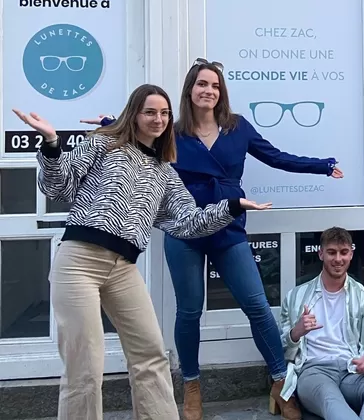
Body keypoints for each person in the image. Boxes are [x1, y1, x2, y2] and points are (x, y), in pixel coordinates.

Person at [83, 58, 343, 420]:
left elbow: (277, 157)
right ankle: (191, 386)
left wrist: (322, 166)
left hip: (227, 227)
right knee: (189, 310)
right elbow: (136, 143)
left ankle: (280, 383)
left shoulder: (238, 129)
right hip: (184, 229)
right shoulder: (170, 132)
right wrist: (111, 126)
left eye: (215, 86)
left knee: (256, 304)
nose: (208, 91)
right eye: (202, 84)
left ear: (221, 93)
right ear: (190, 90)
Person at [13, 84, 271, 420]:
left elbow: (188, 222)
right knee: (85, 367)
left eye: (164, 113)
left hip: (123, 269)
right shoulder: (105, 142)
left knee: (151, 356)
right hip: (80, 261)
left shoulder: (165, 171)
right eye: (150, 111)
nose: (158, 119)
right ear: (134, 113)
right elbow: (58, 186)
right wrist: (51, 145)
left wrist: (232, 206)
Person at [278, 227, 364, 420]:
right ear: (321, 253)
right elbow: (281, 352)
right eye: (331, 252)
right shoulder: (296, 296)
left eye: (343, 252)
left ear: (351, 254)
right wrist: (296, 332)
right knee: (330, 399)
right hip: (314, 371)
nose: (338, 259)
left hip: (351, 371)